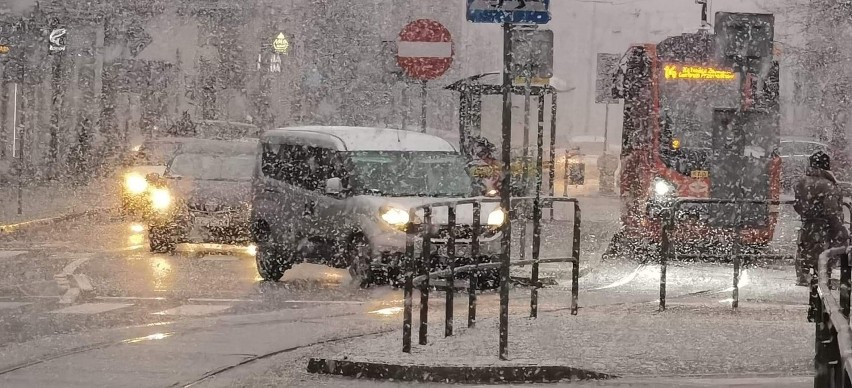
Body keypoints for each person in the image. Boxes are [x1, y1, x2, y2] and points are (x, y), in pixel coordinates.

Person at [793, 151, 850, 286]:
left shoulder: (801, 182)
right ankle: (821, 292)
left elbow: (797, 205)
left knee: (806, 258)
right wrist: (840, 230)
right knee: (823, 263)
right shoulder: (828, 185)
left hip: (807, 228)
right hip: (824, 231)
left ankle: (807, 282)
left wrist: (808, 214)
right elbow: (832, 212)